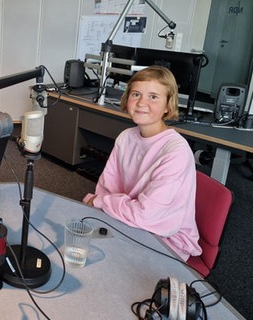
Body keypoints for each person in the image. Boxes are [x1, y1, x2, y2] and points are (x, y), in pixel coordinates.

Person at [83, 66, 201, 260]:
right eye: (136, 94)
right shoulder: (126, 137)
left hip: (166, 238)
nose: (141, 103)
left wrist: (100, 202)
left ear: (167, 106)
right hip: (127, 220)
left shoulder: (175, 151)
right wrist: (102, 202)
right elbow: (106, 189)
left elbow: (147, 216)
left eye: (153, 96)